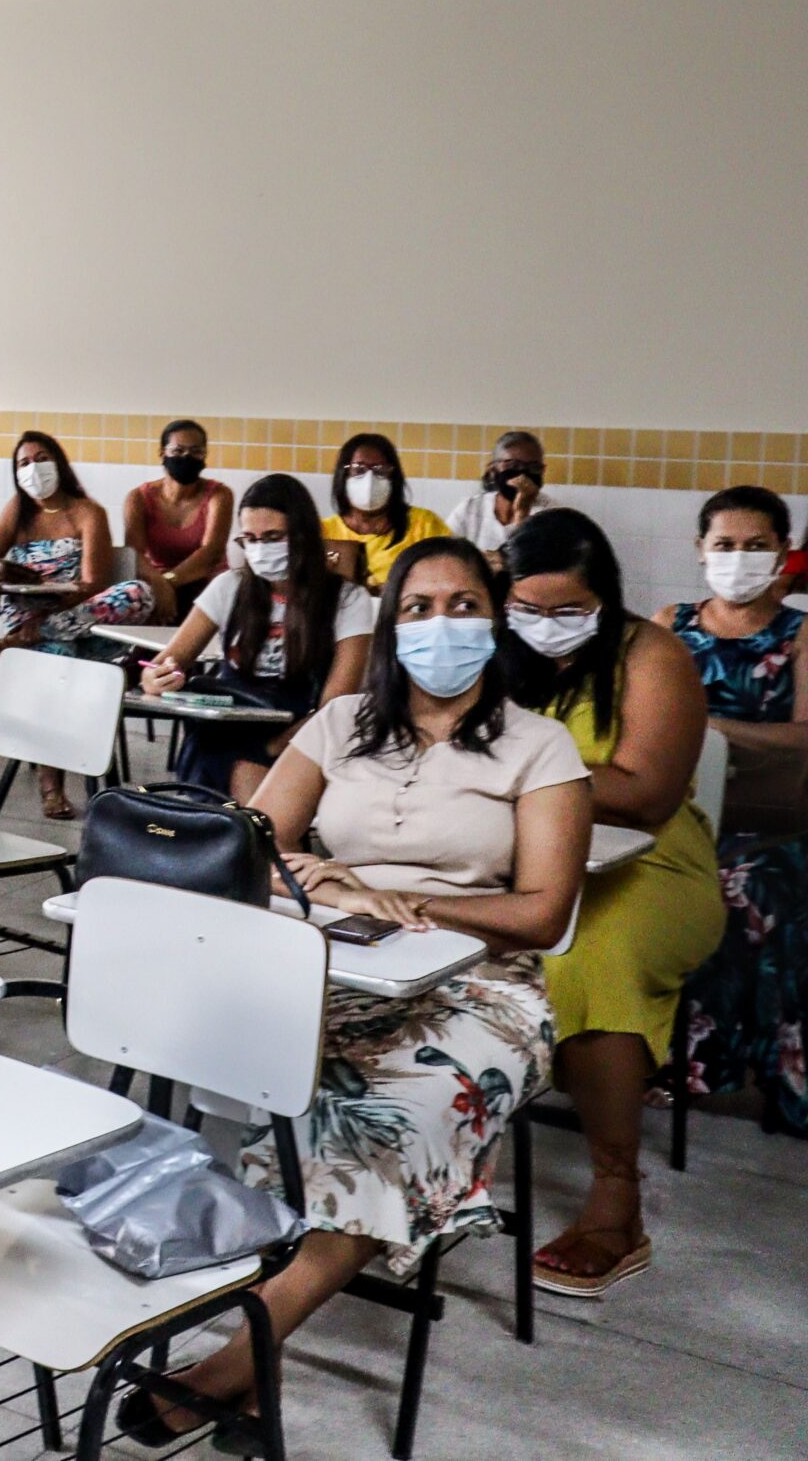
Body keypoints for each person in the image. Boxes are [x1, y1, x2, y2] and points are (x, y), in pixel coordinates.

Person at [124, 537, 588, 1446]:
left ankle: (245, 1348)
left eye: (464, 605)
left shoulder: (540, 743)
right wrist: (339, 886)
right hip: (332, 961)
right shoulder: (340, 723)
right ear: (389, 626)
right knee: (262, 1076)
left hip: (483, 987)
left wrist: (413, 900)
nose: (440, 625)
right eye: (418, 608)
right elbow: (247, 850)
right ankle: (260, 1292)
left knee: (399, 1116)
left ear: (495, 621)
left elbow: (542, 911)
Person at [501, 509, 722, 1297]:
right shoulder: (495, 652)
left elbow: (648, 792)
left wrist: (515, 767)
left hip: (649, 866)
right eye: (527, 608)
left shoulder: (650, 655)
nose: (545, 626)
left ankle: (615, 1201)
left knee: (589, 947)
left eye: (569, 611)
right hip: (515, 851)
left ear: (605, 599)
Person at [658, 485, 807, 1139]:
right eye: (725, 545)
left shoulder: (801, 634)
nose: (739, 558)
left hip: (768, 818)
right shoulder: (671, 624)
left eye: (756, 546)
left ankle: (777, 1073)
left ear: (784, 552)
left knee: (754, 885)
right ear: (700, 550)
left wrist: (705, 726)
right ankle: (677, 1063)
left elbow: (805, 736)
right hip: (673, 812)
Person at [140, 474, 373, 801]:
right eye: (250, 538)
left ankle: (243, 840)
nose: (261, 549)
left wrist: (276, 746)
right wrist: (156, 677)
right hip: (228, 726)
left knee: (239, 773)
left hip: (301, 732)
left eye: (273, 536)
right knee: (219, 760)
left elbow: (336, 704)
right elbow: (168, 662)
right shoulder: (230, 587)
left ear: (303, 536)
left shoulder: (347, 599)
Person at [0, 430, 155, 817]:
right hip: (26, 611)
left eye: (41, 459)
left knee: (138, 592)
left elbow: (93, 583)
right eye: (23, 463)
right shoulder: (17, 511)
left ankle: (26, 638)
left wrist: (51, 614)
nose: (33, 469)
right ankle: (51, 787)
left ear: (59, 462)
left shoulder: (87, 511)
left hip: (79, 616)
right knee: (58, 657)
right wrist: (10, 571)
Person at [121, 420, 232, 621]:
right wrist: (158, 583)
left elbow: (211, 552)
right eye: (178, 450)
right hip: (156, 581)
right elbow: (134, 553)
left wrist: (168, 583)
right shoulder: (138, 498)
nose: (186, 457)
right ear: (162, 453)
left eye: (196, 451)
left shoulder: (219, 495)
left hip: (208, 583)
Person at [322, 431, 451, 590]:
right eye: (359, 469)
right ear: (343, 475)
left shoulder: (424, 525)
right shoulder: (322, 531)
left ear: (394, 477)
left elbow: (449, 577)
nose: (369, 479)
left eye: (380, 470)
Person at [447, 430, 566, 565]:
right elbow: (447, 555)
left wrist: (523, 512)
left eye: (533, 467)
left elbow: (547, 564)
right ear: (493, 470)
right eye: (513, 465)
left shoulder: (554, 514)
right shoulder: (470, 508)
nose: (523, 475)